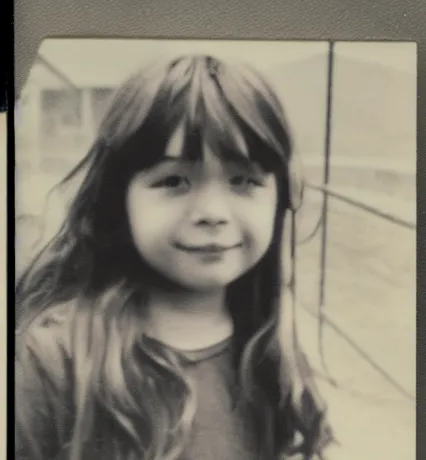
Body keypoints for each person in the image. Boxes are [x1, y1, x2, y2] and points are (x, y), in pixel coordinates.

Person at [15, 54, 336, 460]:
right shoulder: (50, 362)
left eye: (244, 180)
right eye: (173, 181)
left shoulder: (270, 349)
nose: (213, 213)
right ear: (118, 199)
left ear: (279, 199)